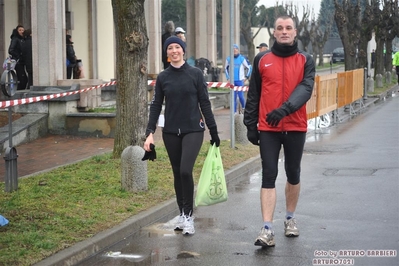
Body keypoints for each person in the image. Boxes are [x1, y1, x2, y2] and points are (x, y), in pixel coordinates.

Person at [244, 15, 315, 247]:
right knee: (268, 174)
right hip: (268, 128)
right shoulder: (262, 59)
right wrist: (250, 125)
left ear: (295, 32)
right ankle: (267, 228)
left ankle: (290, 218)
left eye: (288, 28)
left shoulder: (306, 59)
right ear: (273, 33)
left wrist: (284, 110)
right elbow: (253, 93)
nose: (284, 31)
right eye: (279, 28)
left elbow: (305, 89)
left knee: (293, 173)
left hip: (295, 126)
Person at [144, 36, 220, 236]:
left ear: (183, 51)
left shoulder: (195, 74)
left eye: (177, 47)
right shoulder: (163, 77)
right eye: (170, 48)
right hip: (170, 132)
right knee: (177, 173)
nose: (174, 50)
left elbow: (204, 103)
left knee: (186, 170)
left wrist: (213, 130)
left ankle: (189, 215)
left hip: (193, 130)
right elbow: (156, 105)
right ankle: (182, 213)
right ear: (166, 53)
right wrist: (149, 133)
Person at [224, 44, 252, 113]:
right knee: (233, 97)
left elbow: (249, 67)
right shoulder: (228, 59)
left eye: (236, 49)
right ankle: (234, 113)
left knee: (241, 96)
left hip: (240, 81)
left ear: (238, 50)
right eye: (233, 49)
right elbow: (225, 68)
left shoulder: (242, 58)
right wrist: (228, 78)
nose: (234, 50)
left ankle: (244, 109)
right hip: (232, 81)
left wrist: (246, 77)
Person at [8, 25, 27, 90]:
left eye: (23, 30)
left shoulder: (23, 39)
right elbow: (11, 50)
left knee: (23, 77)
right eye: (20, 30)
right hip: (18, 61)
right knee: (22, 77)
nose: (22, 31)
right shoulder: (15, 39)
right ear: (17, 31)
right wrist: (18, 56)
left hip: (22, 61)